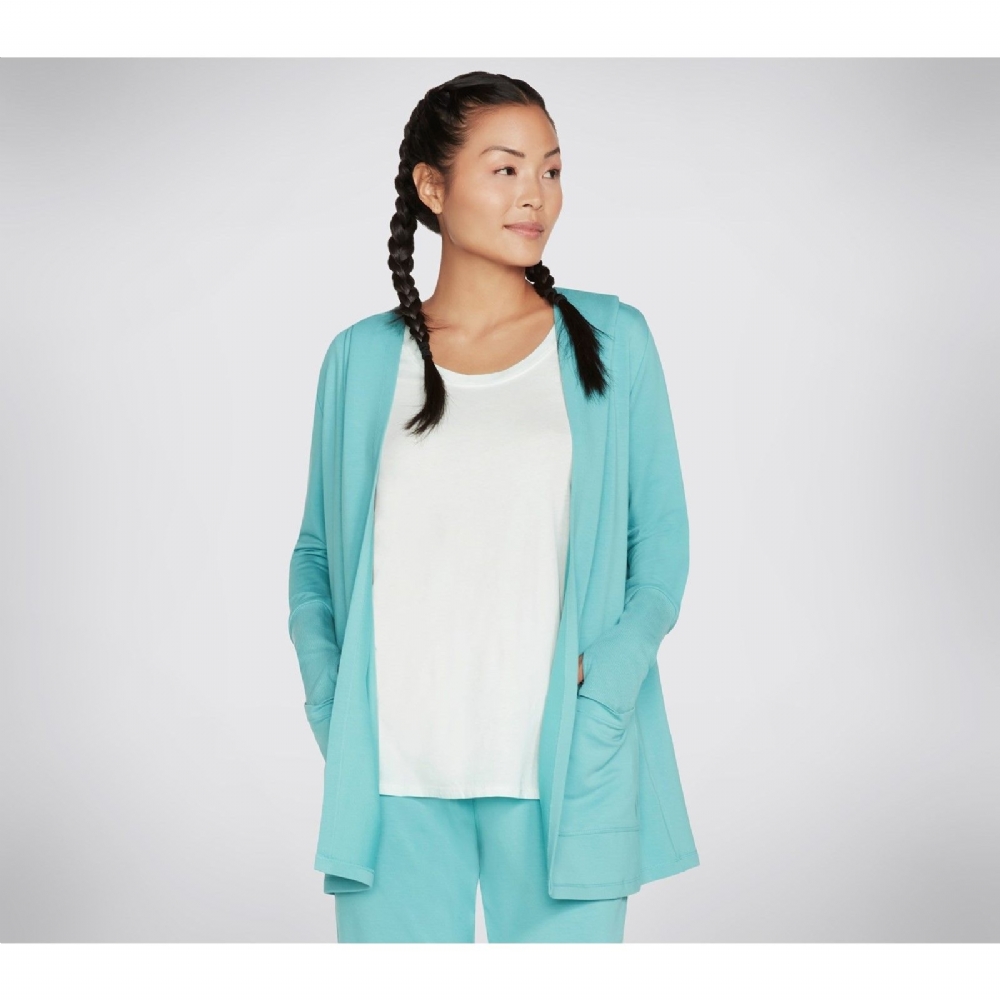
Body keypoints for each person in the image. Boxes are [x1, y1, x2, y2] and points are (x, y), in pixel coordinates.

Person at [287, 70, 698, 943]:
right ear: (432, 187)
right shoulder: (359, 360)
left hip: (564, 764)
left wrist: (609, 683)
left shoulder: (612, 339)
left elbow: (659, 543)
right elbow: (316, 557)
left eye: (551, 170)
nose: (536, 195)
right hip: (392, 778)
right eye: (506, 169)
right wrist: (331, 700)